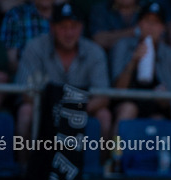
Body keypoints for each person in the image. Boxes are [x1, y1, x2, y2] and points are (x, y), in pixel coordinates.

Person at [14, 3, 111, 140]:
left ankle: (102, 162)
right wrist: (53, 110)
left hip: (82, 111)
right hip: (43, 110)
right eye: (63, 27)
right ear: (52, 27)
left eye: (73, 27)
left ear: (81, 27)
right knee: (25, 112)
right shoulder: (35, 48)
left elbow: (103, 97)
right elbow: (25, 93)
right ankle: (24, 162)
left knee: (104, 115)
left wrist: (71, 112)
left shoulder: (94, 52)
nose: (69, 33)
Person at [110, 2, 171, 124]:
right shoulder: (122, 47)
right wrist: (133, 61)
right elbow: (117, 91)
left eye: (156, 22)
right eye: (147, 21)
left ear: (163, 28)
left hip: (156, 110)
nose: (150, 26)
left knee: (158, 120)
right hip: (125, 105)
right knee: (129, 109)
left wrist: (166, 99)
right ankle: (115, 143)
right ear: (139, 24)